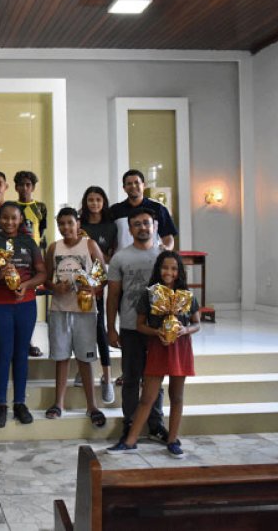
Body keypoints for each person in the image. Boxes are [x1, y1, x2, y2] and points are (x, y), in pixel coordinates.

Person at [107, 251, 200, 458]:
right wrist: (156, 332)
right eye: (165, 267)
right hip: (158, 348)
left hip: (180, 348)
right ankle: (130, 441)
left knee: (177, 397)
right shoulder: (149, 294)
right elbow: (140, 325)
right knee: (147, 397)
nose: (169, 272)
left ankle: (173, 440)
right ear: (159, 269)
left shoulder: (186, 295)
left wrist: (185, 330)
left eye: (174, 268)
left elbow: (197, 323)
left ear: (179, 271)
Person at [106, 207, 170, 444]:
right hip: (131, 327)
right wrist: (111, 328)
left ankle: (156, 423)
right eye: (137, 224)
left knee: (155, 379)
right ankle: (130, 423)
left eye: (146, 223)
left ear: (154, 226)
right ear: (130, 229)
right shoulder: (120, 258)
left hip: (158, 330)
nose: (143, 227)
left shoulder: (163, 257)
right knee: (131, 378)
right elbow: (112, 296)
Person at [0, 202, 46, 428]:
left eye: (14, 218)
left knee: (20, 354)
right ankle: (0, 404)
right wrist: (1, 275)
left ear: (20, 220)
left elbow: (42, 273)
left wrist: (26, 285)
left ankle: (19, 402)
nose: (9, 222)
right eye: (5, 218)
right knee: (3, 354)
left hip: (25, 304)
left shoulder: (28, 242)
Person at [43, 208, 106, 427]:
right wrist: (54, 287)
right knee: (61, 358)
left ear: (78, 223)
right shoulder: (54, 247)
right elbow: (46, 279)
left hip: (85, 311)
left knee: (85, 359)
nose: (66, 228)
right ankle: (58, 403)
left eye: (70, 223)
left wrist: (91, 287)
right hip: (59, 310)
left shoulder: (89, 245)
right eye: (61, 224)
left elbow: (102, 275)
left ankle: (92, 405)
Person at [79, 185, 118, 404]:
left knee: (99, 327)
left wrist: (97, 253)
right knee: (83, 327)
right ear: (85, 202)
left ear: (103, 202)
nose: (94, 203)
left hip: (99, 284)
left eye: (98, 199)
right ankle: (84, 368)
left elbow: (112, 257)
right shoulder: (79, 225)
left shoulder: (111, 227)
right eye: (90, 199)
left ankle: (107, 377)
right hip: (78, 285)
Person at [110, 169, 177, 251]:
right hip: (123, 260)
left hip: (152, 259)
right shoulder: (115, 210)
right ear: (124, 188)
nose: (133, 186)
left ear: (144, 185)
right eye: (129, 184)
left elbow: (167, 237)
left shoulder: (158, 209)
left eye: (136, 182)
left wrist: (167, 249)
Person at [13, 171, 48, 250]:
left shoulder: (40, 207)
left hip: (34, 250)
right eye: (21, 185)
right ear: (16, 187)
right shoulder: (12, 206)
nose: (25, 188)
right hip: (16, 249)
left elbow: (41, 229)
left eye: (28, 185)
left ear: (33, 188)